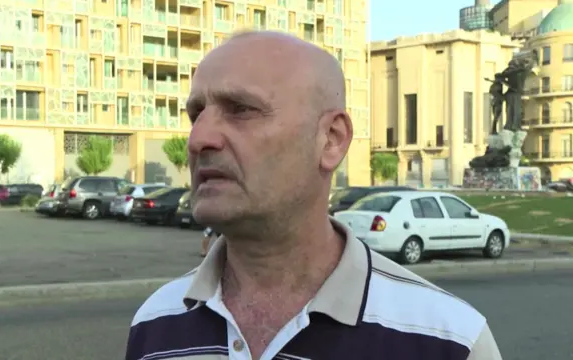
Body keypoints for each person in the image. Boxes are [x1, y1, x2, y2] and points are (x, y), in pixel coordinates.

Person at [125, 30, 502, 360]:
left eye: (241, 109)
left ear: (331, 140)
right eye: (196, 114)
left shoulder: (447, 341)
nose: (198, 139)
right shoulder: (155, 324)